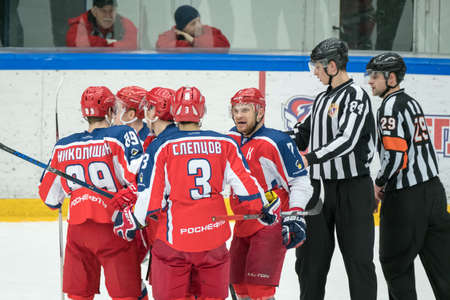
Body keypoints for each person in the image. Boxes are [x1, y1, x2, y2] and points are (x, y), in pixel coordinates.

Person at [112, 86, 278, 300]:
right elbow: (248, 187)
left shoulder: (161, 147)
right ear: (202, 112)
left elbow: (150, 198)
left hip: (174, 244)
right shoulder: (225, 143)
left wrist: (133, 219)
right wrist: (263, 208)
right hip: (213, 241)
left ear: (174, 111)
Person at [38, 86, 144, 300]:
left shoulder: (63, 146)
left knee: (79, 293)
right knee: (126, 295)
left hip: (78, 232)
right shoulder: (122, 134)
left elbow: (49, 197)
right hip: (114, 228)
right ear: (111, 111)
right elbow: (141, 176)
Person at [293, 37, 377, 300]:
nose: (315, 72)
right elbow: (301, 134)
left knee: (359, 263)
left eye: (317, 67)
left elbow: (347, 140)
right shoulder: (320, 100)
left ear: (332, 66)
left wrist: (311, 158)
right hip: (318, 190)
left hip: (352, 189)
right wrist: (271, 142)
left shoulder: (356, 97)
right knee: (309, 262)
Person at [366, 52, 450, 300]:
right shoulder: (411, 102)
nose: (370, 81)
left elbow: (395, 156)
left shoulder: (389, 107)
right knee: (443, 268)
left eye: (375, 76)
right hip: (434, 193)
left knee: (395, 264)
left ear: (391, 78)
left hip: (405, 199)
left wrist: (379, 184)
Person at [227, 88, 311, 300]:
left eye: (245, 110)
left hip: (269, 224)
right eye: (236, 110)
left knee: (260, 290)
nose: (239, 115)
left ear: (260, 112)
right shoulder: (230, 139)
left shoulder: (277, 141)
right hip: (242, 224)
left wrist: (295, 213)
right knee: (239, 286)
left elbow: (299, 180)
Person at [66, 0, 137, 49]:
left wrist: (102, 45)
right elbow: (75, 43)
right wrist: (107, 42)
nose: (108, 16)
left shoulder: (124, 23)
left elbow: (133, 44)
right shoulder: (82, 22)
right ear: (94, 11)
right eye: (103, 11)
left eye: (111, 10)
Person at [156, 5, 230, 51]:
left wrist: (193, 40)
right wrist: (197, 46)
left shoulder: (209, 30)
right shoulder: (172, 34)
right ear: (182, 27)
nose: (199, 26)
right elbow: (161, 46)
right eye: (193, 23)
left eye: (199, 21)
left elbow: (224, 45)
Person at [114, 86, 155, 150]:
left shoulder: (150, 140)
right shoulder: (113, 135)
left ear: (131, 115)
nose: (114, 116)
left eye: (117, 110)